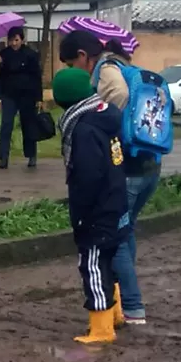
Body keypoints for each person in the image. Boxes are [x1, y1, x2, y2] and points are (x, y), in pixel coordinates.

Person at [59, 30, 160, 326]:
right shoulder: (122, 64)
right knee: (123, 234)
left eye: (69, 64)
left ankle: (131, 307)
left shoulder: (106, 71)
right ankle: (123, 304)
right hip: (147, 163)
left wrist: (99, 113)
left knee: (110, 239)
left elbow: (119, 95)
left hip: (125, 168)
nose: (69, 72)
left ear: (81, 56)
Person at [52, 66, 129, 344]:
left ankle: (101, 329)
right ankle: (116, 313)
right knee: (109, 263)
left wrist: (82, 216)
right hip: (115, 203)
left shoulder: (83, 130)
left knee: (93, 266)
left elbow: (86, 177)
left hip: (96, 211)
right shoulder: (105, 116)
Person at [0, 26, 43, 169]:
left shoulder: (31, 54)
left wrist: (39, 98)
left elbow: (37, 78)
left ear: (22, 39)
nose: (14, 43)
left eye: (16, 40)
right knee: (6, 125)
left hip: (27, 96)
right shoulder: (4, 54)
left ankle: (31, 155)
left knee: (28, 125)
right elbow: (1, 75)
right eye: (11, 40)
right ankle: (3, 158)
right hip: (9, 95)